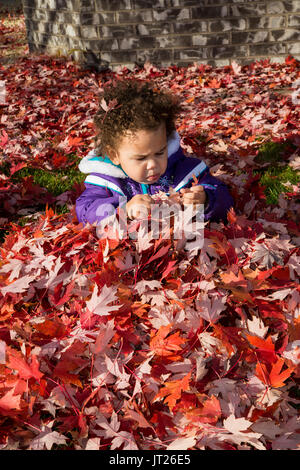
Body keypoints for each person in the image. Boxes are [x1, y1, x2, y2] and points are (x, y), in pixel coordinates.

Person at [75, 79, 234, 228]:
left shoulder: (184, 172)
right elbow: (85, 209)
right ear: (114, 155)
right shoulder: (107, 182)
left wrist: (206, 200)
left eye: (159, 153)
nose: (152, 164)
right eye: (141, 158)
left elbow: (224, 198)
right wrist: (124, 209)